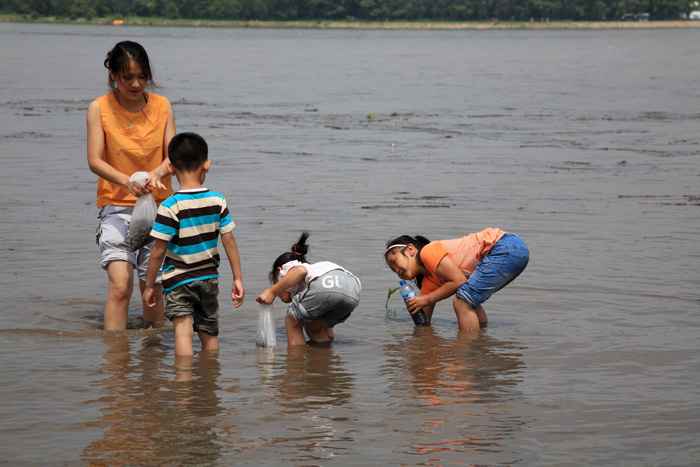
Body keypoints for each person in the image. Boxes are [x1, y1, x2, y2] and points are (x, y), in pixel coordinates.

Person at [87, 40, 176, 330]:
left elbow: (172, 156)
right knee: (120, 287)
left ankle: (152, 359)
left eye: (141, 76)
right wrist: (128, 181)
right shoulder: (99, 108)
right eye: (128, 78)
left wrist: (156, 173)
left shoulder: (162, 106)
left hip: (160, 210)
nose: (136, 84)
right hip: (115, 207)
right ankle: (116, 366)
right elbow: (95, 160)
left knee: (153, 291)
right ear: (113, 74)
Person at [142, 132, 244, 356]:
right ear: (206, 164)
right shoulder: (218, 201)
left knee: (182, 333)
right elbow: (229, 240)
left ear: (170, 167)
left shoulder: (170, 206)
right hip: (209, 278)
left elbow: (158, 251)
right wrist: (237, 278)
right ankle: (209, 378)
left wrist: (150, 285)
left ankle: (183, 384)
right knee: (209, 332)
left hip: (178, 279)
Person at [384, 229, 528, 330]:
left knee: (461, 301)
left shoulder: (428, 252)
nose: (397, 270)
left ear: (410, 250)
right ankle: (482, 340)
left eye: (395, 262)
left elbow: (458, 280)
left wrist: (426, 299)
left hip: (503, 247)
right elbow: (424, 323)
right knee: (469, 299)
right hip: (516, 251)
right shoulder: (430, 280)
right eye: (393, 270)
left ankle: (467, 352)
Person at [256, 232, 361, 346]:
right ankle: (324, 356)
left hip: (325, 286)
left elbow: (300, 271)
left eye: (275, 281)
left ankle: (295, 362)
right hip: (353, 290)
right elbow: (328, 327)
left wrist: (272, 291)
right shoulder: (314, 274)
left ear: (279, 271)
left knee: (292, 322)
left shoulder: (291, 267)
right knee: (315, 327)